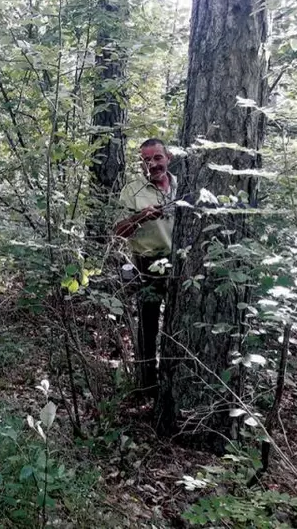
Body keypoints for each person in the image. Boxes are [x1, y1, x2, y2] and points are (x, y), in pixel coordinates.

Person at [115, 138, 176, 399]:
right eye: (146, 160)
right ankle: (147, 383)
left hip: (181, 263)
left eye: (157, 158)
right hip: (147, 264)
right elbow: (117, 231)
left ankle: (175, 377)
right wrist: (141, 217)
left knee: (179, 322)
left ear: (168, 157)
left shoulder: (183, 187)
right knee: (148, 326)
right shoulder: (133, 190)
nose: (152, 164)